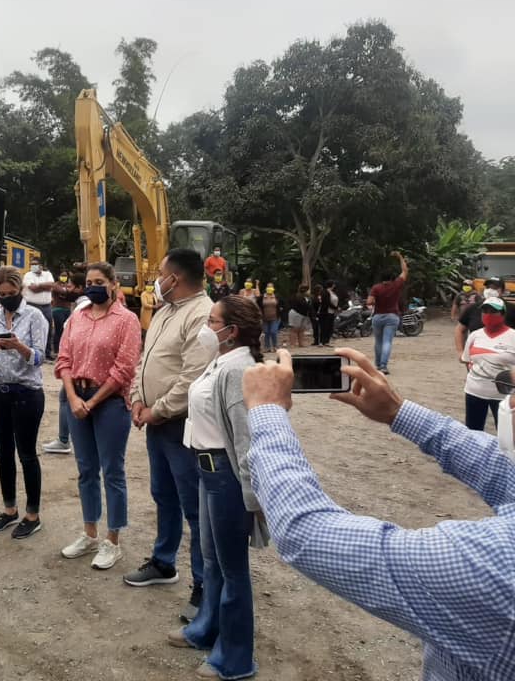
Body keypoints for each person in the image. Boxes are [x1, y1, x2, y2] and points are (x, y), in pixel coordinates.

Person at [242, 346, 515, 681]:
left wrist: (266, 411)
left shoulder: (494, 561)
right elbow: (499, 469)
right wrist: (397, 412)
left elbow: (306, 532)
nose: (510, 403)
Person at [167, 294, 268, 680]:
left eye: (212, 321)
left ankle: (236, 657)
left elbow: (245, 438)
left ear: (232, 331)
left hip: (226, 477)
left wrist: (253, 497)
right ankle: (207, 628)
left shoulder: (238, 369)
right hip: (207, 471)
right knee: (211, 560)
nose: (206, 328)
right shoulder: (219, 361)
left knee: (232, 568)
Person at [125, 249, 212, 623]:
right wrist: (136, 398)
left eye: (160, 273)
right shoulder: (164, 311)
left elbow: (193, 378)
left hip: (182, 426)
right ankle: (164, 562)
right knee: (164, 495)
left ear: (175, 279)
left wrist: (156, 410)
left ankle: (204, 585)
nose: (155, 280)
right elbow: (145, 361)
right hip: (156, 422)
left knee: (195, 507)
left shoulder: (202, 315)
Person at [55, 262, 141, 570]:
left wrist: (92, 402)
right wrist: (73, 397)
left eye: (100, 281)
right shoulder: (77, 317)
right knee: (86, 470)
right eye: (89, 282)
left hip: (110, 403)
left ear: (114, 284)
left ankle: (112, 540)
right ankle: (89, 532)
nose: (93, 287)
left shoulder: (127, 320)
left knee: (112, 471)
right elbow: (63, 359)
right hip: (76, 397)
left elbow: (124, 368)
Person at [0, 266, 49, 539]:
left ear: (21, 290)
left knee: (26, 454)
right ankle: (9, 509)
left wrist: (19, 346)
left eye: (12, 292)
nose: (7, 298)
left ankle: (33, 514)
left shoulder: (35, 316)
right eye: (2, 294)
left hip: (27, 392)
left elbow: (40, 358)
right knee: (3, 453)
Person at [42, 271, 88, 455]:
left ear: (79, 288)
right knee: (66, 398)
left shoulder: (81, 307)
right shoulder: (81, 305)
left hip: (78, 363)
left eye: (70, 285)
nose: (67, 289)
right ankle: (65, 439)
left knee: (68, 398)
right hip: (79, 362)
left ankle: (64, 440)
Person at [460, 297, 515, 432]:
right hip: (474, 392)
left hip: (503, 396)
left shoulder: (512, 336)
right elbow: (468, 361)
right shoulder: (475, 335)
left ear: (503, 314)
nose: (488, 315)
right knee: (473, 433)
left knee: (506, 434)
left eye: (493, 311)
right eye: (485, 311)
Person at [367, 250, 408, 374]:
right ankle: (384, 366)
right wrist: (400, 257)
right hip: (392, 316)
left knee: (378, 341)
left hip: (378, 317)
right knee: (387, 341)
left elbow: (369, 302)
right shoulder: (396, 284)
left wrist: (375, 301)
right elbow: (405, 271)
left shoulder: (376, 287)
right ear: (391, 277)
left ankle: (378, 365)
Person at [455, 277, 515, 357]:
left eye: (494, 288)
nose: (490, 290)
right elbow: (459, 329)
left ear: (503, 291)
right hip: (476, 358)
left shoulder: (512, 309)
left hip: (504, 358)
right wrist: (460, 351)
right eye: (488, 287)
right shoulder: (472, 308)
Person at [22, 257, 55, 359]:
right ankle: (32, 351)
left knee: (48, 329)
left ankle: (47, 352)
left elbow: (51, 285)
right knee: (31, 329)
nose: (33, 266)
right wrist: (44, 287)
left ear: (41, 265)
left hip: (46, 306)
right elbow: (33, 289)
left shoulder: (48, 274)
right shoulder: (28, 275)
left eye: (35, 264)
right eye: (32, 264)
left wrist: (39, 286)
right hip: (32, 305)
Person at [50, 270, 79, 357]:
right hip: (57, 309)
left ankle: (64, 349)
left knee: (66, 331)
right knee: (58, 330)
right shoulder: (55, 285)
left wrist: (68, 291)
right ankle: (56, 350)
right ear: (59, 276)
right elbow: (63, 291)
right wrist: (68, 291)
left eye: (65, 276)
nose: (64, 277)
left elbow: (71, 292)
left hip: (67, 310)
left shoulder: (68, 285)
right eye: (62, 275)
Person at [315, 279, 339, 347]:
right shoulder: (325, 292)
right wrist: (335, 307)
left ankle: (327, 341)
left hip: (332, 312)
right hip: (325, 312)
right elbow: (327, 302)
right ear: (332, 285)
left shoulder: (333, 292)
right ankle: (321, 341)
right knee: (324, 327)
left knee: (329, 327)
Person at [260, 282, 281, 353]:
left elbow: (281, 305)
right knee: (266, 332)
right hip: (264, 318)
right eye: (268, 287)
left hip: (275, 317)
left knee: (273, 331)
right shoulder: (262, 296)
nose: (269, 288)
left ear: (273, 288)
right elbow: (259, 305)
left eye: (271, 287)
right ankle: (267, 347)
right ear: (266, 288)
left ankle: (275, 346)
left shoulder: (276, 296)